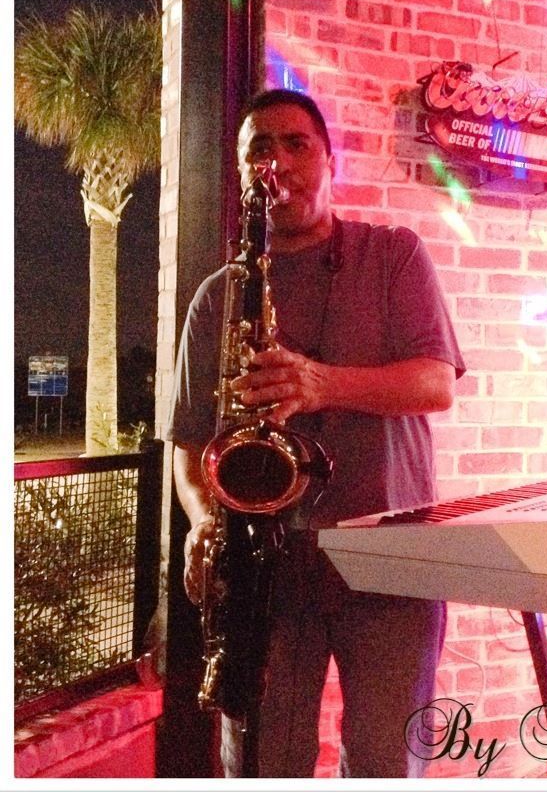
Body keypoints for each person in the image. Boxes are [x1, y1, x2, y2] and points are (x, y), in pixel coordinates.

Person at [167, 88, 465, 777]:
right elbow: (190, 447)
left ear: (332, 161)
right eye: (259, 150)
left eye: (296, 144)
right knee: (262, 765)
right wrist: (200, 521)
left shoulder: (393, 256)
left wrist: (320, 383)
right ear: (245, 176)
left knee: (388, 765)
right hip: (268, 568)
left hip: (392, 561)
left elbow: (435, 385)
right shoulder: (219, 296)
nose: (278, 161)